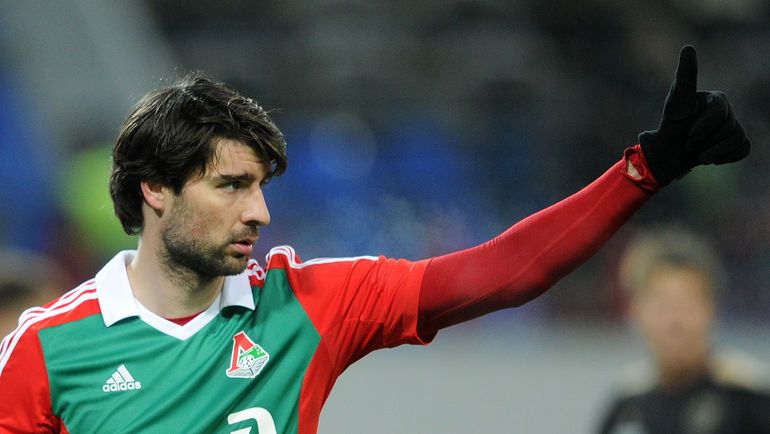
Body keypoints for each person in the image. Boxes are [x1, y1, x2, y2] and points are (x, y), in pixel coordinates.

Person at [0, 45, 751, 433]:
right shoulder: (45, 352)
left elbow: (503, 272)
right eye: (231, 186)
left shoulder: (304, 304)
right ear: (155, 190)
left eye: (261, 187)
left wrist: (642, 173)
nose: (260, 213)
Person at [597, 228, 770, 434]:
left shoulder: (749, 397)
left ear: (713, 309)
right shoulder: (626, 402)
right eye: (661, 305)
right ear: (635, 310)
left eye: (686, 305)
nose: (674, 321)